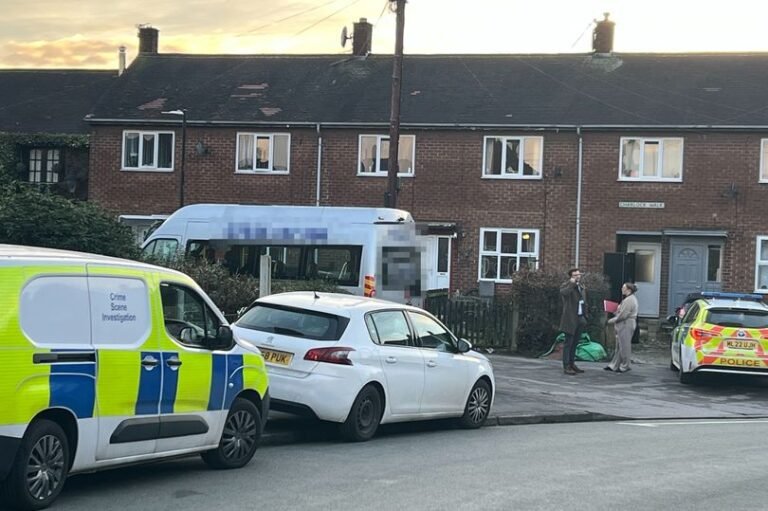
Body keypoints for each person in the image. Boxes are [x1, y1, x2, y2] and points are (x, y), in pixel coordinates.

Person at [560, 268, 589, 375]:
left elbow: (584, 302)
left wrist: (585, 316)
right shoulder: (566, 285)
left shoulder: (581, 287)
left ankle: (572, 363)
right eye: (575, 275)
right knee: (568, 343)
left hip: (580, 317)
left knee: (575, 343)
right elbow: (564, 293)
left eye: (579, 274)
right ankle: (566, 365)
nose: (578, 276)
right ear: (571, 277)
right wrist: (571, 284)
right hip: (570, 318)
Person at [605, 282, 639, 373]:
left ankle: (625, 366)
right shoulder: (629, 299)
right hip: (625, 323)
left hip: (626, 323)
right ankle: (614, 365)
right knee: (620, 346)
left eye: (623, 287)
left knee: (624, 346)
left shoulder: (629, 300)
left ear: (629, 289)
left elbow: (623, 315)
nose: (622, 289)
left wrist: (612, 320)